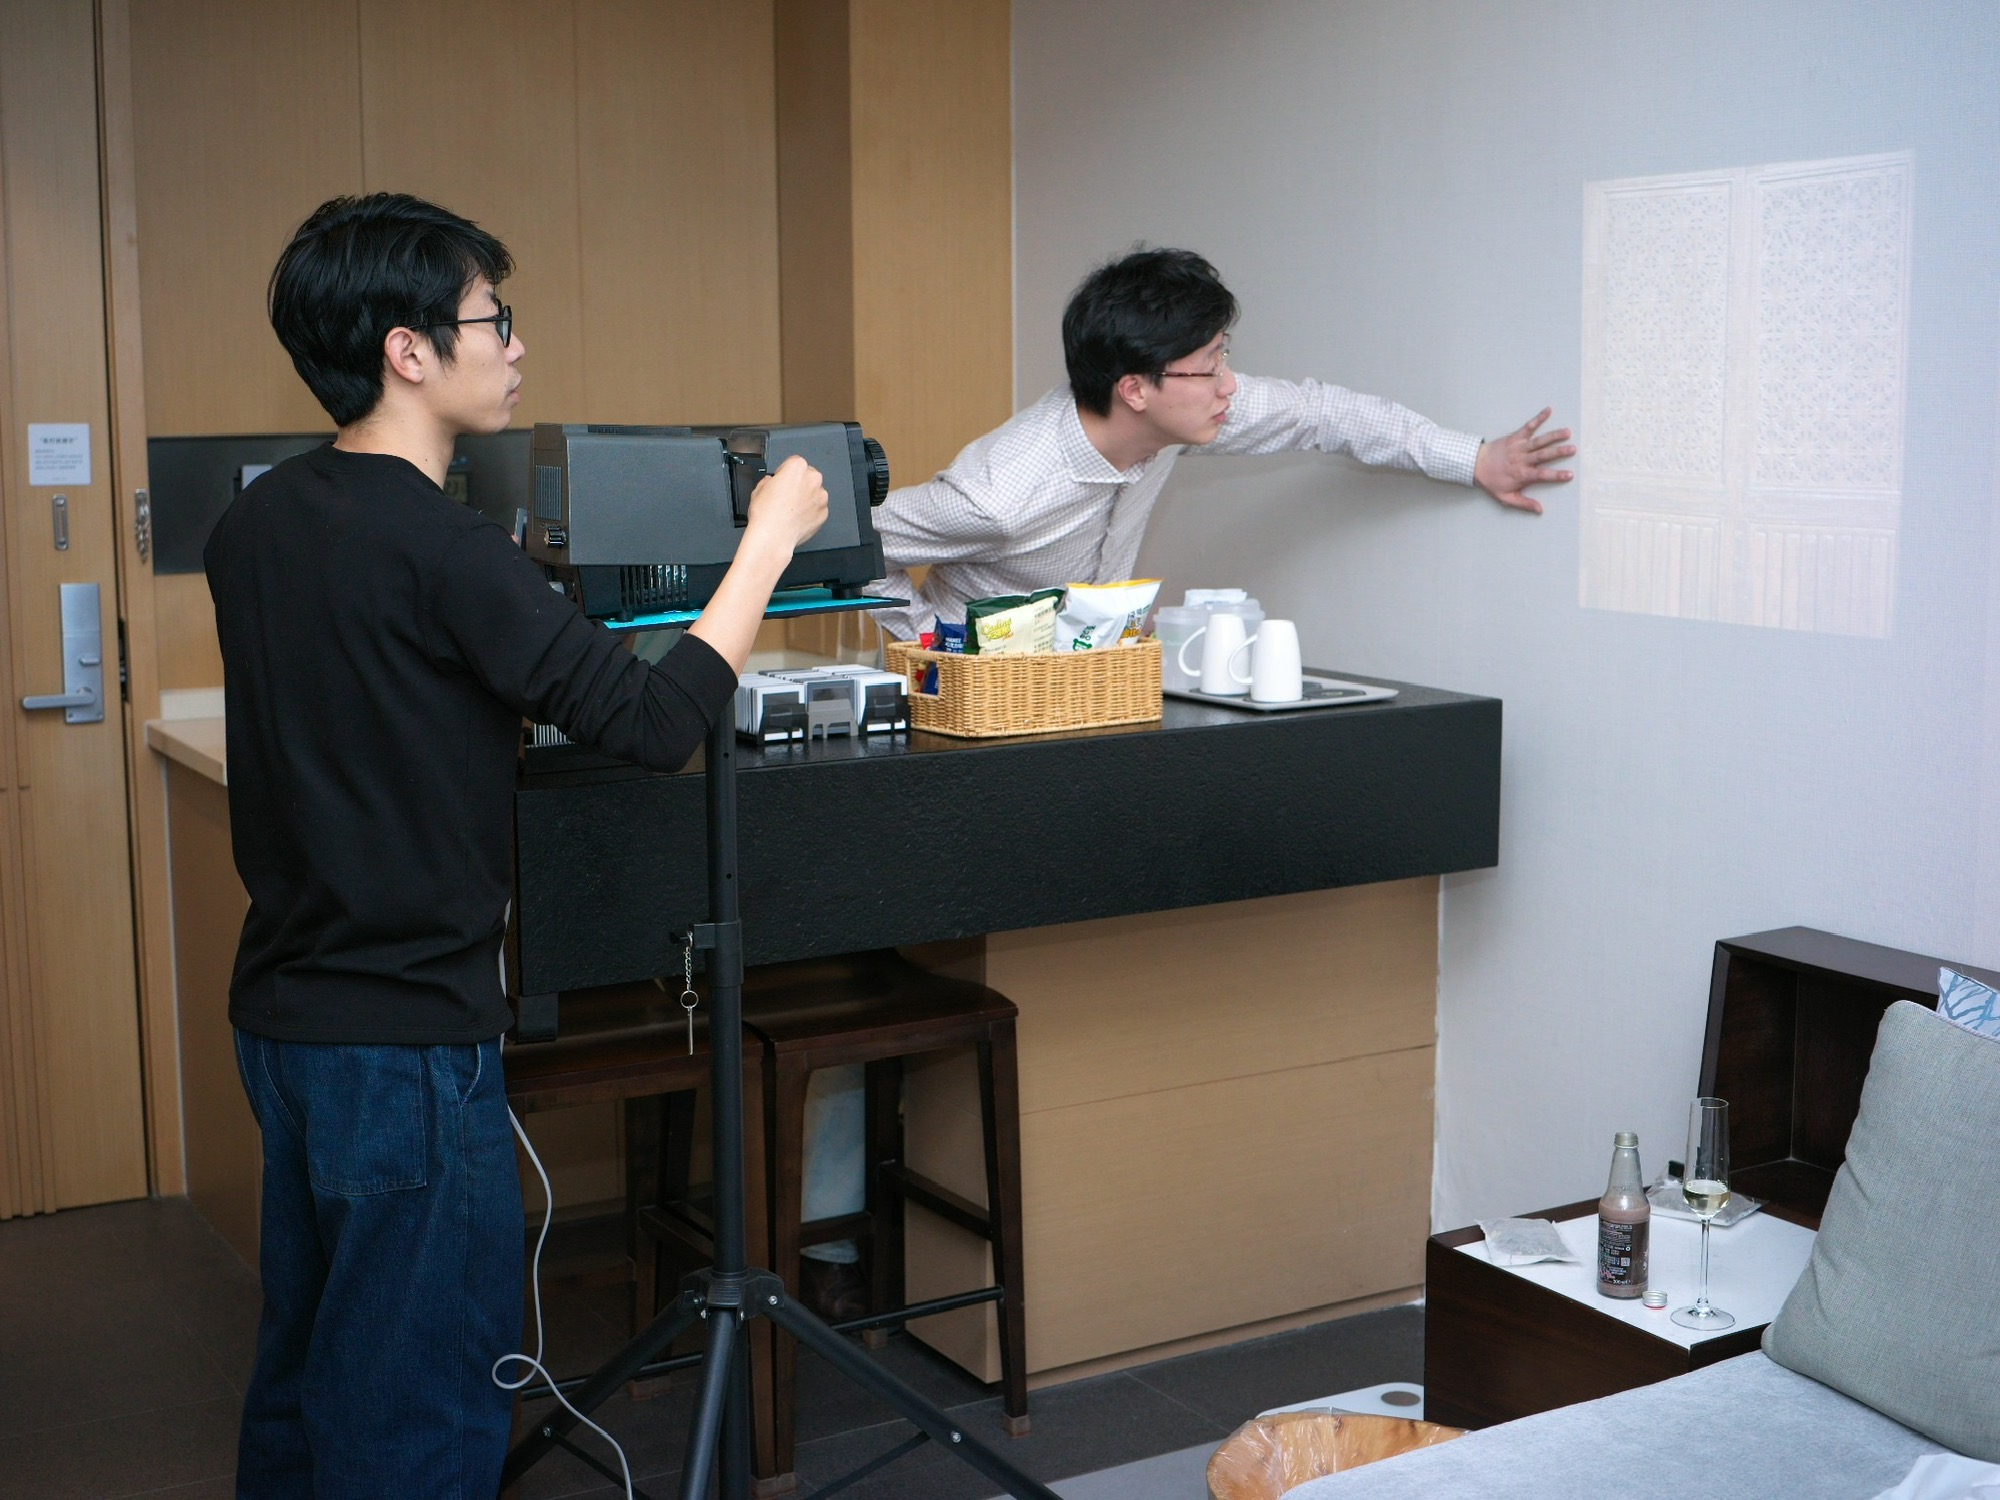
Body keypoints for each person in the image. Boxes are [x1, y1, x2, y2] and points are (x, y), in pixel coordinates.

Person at [206, 192, 828, 1498]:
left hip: (285, 1021)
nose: (516, 344)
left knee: (309, 1375)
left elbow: (385, 701)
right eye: (495, 318)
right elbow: (654, 723)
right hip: (406, 1045)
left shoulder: (256, 525)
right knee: (421, 1409)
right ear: (408, 350)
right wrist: (768, 542)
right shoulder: (447, 552)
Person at [867, 246, 1575, 640]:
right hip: (974, 711)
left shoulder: (1180, 419)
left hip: (1085, 688)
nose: (1229, 384)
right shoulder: (1000, 494)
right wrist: (931, 646)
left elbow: (1321, 413)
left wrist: (1476, 458)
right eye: (1209, 367)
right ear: (1135, 388)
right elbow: (858, 546)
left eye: (1223, 356)